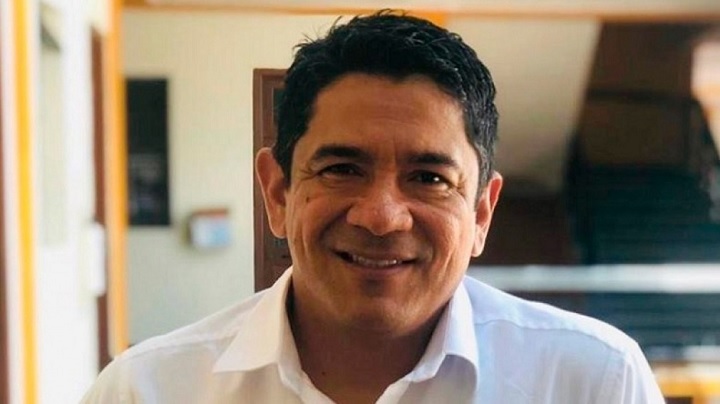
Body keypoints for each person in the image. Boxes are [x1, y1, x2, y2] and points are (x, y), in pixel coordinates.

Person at [83, 11, 664, 403]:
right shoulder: (147, 391)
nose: (382, 216)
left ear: (482, 214)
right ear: (278, 193)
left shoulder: (593, 382)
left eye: (429, 178)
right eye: (341, 169)